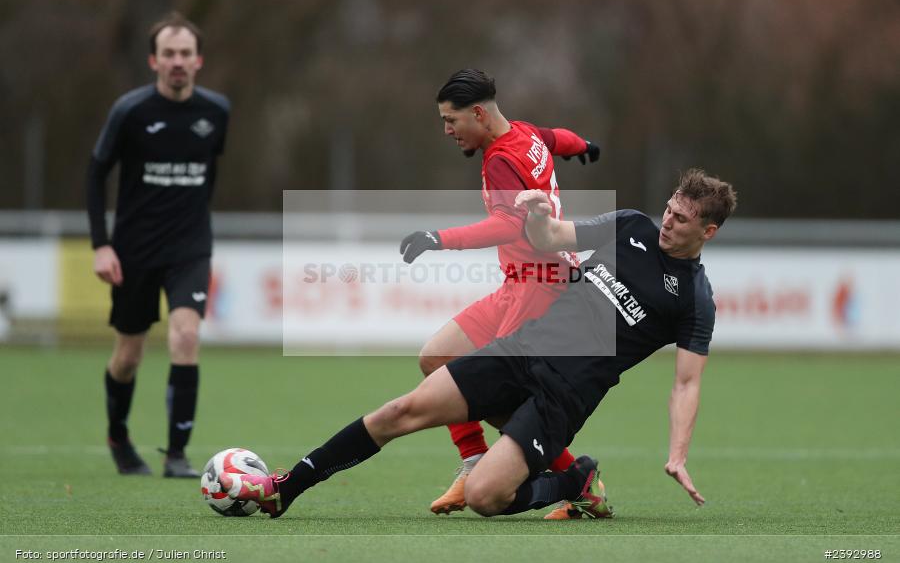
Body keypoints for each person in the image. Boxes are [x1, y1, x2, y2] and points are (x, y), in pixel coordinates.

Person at [220, 169, 737, 519]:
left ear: (708, 231)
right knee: (399, 412)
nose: (668, 220)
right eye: (669, 208)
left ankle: (574, 481)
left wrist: (678, 454)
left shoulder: (695, 300)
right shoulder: (630, 226)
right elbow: (551, 238)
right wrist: (538, 213)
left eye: (682, 218)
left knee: (486, 498)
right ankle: (285, 489)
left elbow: (686, 383)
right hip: (519, 352)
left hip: (564, 396)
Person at [399, 69, 601, 517]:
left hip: (541, 285)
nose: (447, 131)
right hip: (518, 284)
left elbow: (508, 225)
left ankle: (579, 483)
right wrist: (584, 145)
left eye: (451, 120)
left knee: (496, 393)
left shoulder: (499, 160)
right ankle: (474, 461)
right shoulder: (524, 133)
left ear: (477, 113)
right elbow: (557, 139)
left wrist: (438, 238)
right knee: (436, 358)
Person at [86, 12, 230, 478]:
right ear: (154, 60)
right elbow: (96, 174)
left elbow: (207, 174)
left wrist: (195, 225)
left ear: (199, 60)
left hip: (190, 247)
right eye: (169, 53)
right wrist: (101, 245)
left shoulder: (216, 112)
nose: (177, 61)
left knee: (186, 336)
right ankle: (118, 435)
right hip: (135, 250)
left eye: (185, 53)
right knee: (128, 357)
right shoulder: (130, 111)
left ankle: (176, 455)